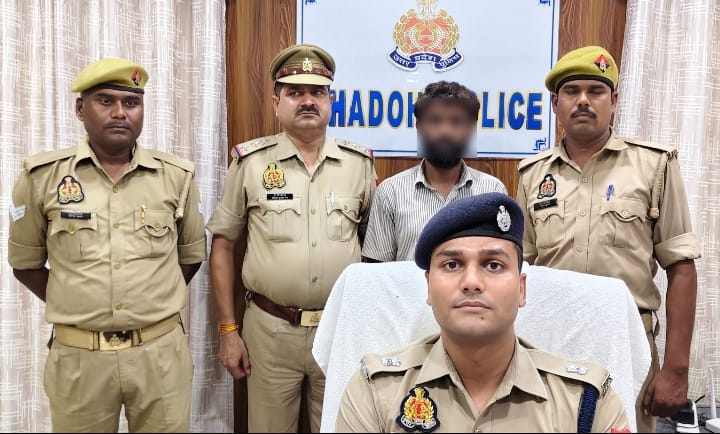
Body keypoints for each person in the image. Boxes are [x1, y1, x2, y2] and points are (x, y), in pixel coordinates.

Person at [7, 58, 206, 432]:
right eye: (105, 101)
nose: (119, 113)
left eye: (131, 103)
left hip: (160, 355)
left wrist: (151, 300)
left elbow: (191, 257)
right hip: (80, 359)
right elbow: (25, 264)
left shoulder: (177, 178)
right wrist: (79, 301)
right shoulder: (42, 179)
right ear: (80, 109)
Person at [516, 45, 701, 432]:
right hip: (549, 341)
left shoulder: (653, 165)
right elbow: (521, 272)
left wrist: (676, 368)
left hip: (627, 339)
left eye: (596, 91)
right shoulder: (533, 175)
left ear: (614, 100)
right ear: (555, 103)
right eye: (571, 91)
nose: (583, 100)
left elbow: (681, 266)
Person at [336, 192, 629, 432]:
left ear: (521, 289)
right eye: (452, 265)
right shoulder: (376, 392)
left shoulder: (585, 402)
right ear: (428, 288)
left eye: (493, 265)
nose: (472, 282)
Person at [206, 43, 376, 432]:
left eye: (317, 92)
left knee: (339, 427)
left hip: (338, 328)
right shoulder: (250, 163)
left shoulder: (359, 165)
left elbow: (373, 251)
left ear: (331, 101)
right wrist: (229, 330)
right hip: (270, 330)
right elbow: (223, 246)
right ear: (276, 103)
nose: (307, 101)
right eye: (295, 92)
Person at [362, 81, 506, 262]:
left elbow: (501, 261)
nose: (445, 131)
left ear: (470, 130)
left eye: (456, 122)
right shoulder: (391, 192)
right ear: (419, 127)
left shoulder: (492, 191)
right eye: (435, 121)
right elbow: (377, 268)